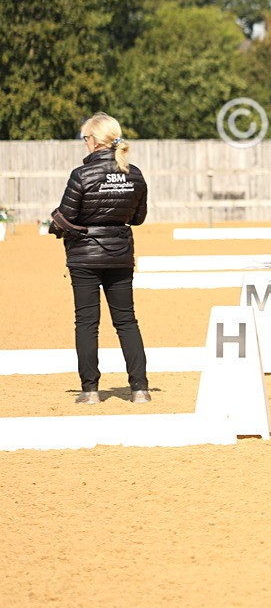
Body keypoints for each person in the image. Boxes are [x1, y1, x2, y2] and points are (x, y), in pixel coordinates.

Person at [53, 113, 151, 404]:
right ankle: (140, 388)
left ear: (94, 140)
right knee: (126, 321)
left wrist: (56, 224)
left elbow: (66, 216)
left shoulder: (81, 175)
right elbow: (138, 218)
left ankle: (90, 390)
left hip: (84, 256)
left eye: (86, 138)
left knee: (86, 322)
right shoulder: (134, 174)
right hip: (120, 254)